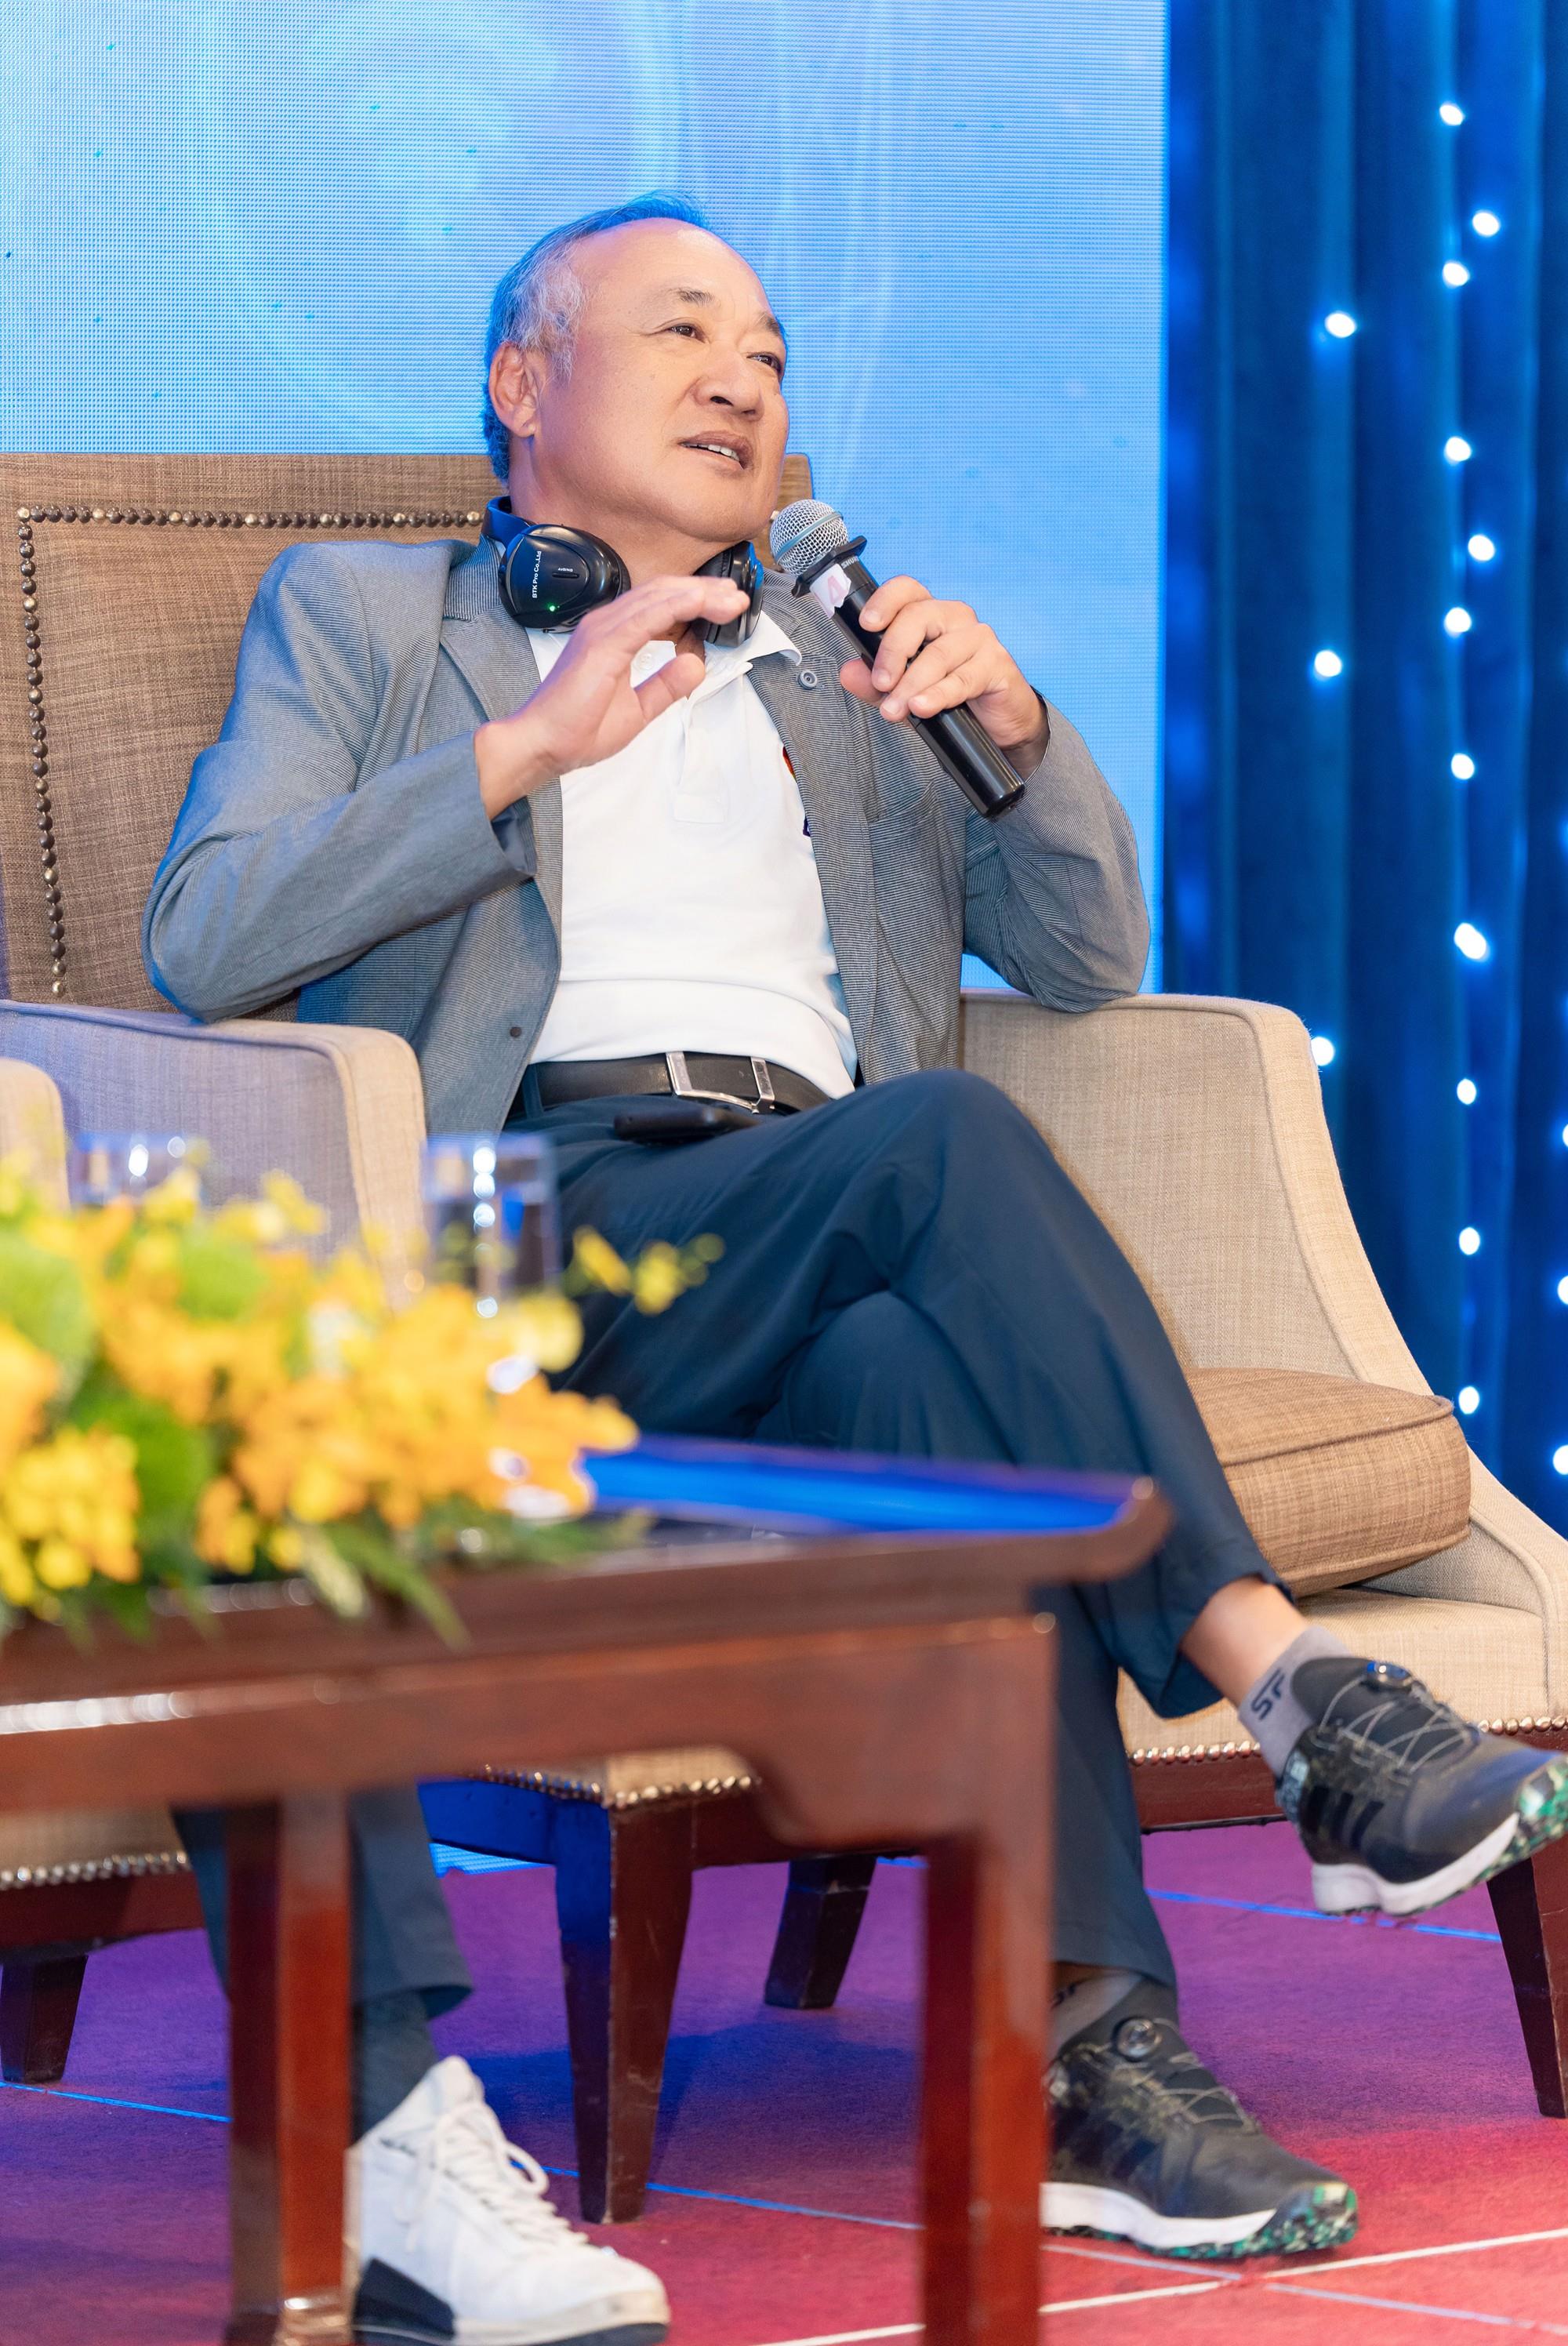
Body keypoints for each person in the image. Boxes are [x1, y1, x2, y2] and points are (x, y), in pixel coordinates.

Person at [145, 192, 1568, 2336]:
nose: (742, 378)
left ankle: (1090, 2051)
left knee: (928, 1368)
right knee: (943, 1150)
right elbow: (207, 936)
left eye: (772, 351)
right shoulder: (366, 617)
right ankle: (1291, 1688)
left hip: (816, 1217)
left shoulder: (844, 663)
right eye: (682, 331)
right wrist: (527, 747)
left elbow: (1088, 957)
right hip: (528, 1237)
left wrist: (1020, 735)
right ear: (525, 386)